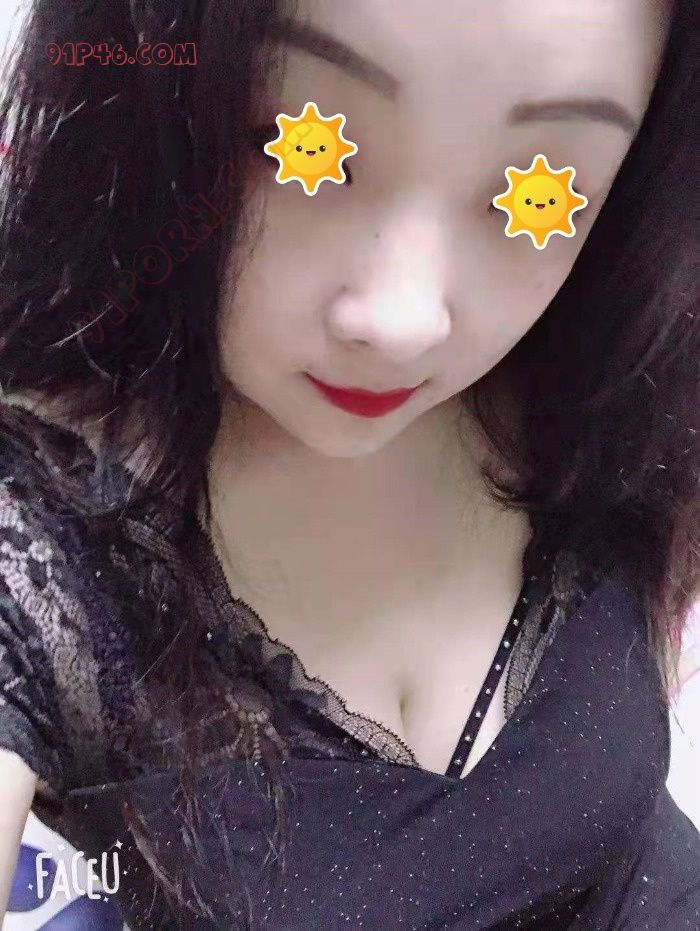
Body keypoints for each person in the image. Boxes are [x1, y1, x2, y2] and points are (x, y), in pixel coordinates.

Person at [0, 0, 698, 927]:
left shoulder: (596, 380)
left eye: (544, 190)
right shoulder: (36, 546)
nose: (404, 319)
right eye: (309, 147)